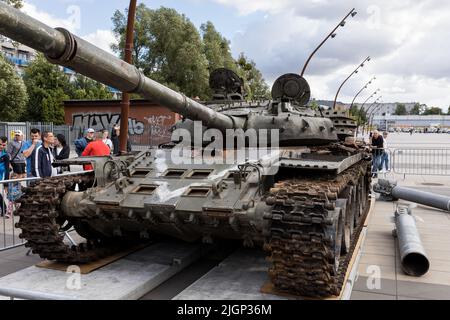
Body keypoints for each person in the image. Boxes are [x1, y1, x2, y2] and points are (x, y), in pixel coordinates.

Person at [0, 136, 10, 218]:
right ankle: (3, 209)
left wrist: (6, 184)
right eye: (0, 144)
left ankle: (4, 209)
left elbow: (7, 170)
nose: (1, 147)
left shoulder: (6, 156)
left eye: (3, 145)